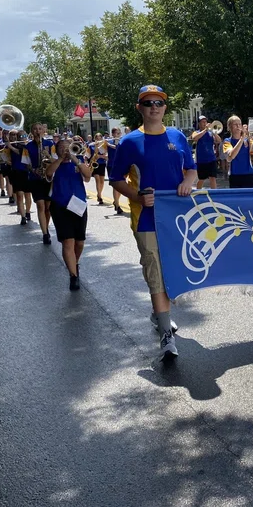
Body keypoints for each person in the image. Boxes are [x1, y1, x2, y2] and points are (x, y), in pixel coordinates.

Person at [109, 85, 197, 362]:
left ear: (165, 107)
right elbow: (116, 178)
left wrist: (187, 181)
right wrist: (137, 196)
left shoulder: (177, 136)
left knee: (171, 271)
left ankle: (160, 314)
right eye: (148, 103)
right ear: (140, 108)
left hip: (177, 219)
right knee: (155, 270)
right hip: (145, 219)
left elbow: (192, 169)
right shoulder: (130, 142)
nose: (154, 107)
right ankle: (166, 337)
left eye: (159, 102)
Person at [45, 138, 92, 290]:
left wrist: (74, 159)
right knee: (68, 242)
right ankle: (73, 276)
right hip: (60, 205)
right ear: (56, 150)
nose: (65, 150)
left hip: (78, 205)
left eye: (68, 147)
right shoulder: (52, 162)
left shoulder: (78, 161)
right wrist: (60, 159)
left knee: (79, 242)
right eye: (62, 148)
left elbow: (88, 176)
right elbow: (48, 173)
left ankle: (74, 264)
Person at [23, 123, 55, 245]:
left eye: (40, 129)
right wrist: (34, 170)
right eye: (35, 129)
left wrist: (48, 157)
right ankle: (45, 234)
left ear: (43, 131)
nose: (37, 131)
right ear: (32, 131)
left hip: (48, 178)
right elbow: (26, 163)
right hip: (35, 178)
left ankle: (45, 226)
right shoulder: (28, 146)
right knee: (40, 206)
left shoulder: (50, 144)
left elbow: (55, 160)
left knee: (48, 208)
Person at [223, 115, 253, 189]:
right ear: (229, 127)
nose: (238, 126)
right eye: (235, 124)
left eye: (240, 124)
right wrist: (241, 139)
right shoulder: (227, 141)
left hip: (249, 174)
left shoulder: (247, 140)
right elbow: (231, 156)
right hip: (235, 175)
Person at [6, 130, 33, 225]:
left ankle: (28, 211)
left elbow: (19, 153)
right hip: (17, 173)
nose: (22, 137)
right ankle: (23, 216)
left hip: (26, 172)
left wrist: (10, 146)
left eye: (24, 135)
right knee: (19, 195)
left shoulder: (27, 146)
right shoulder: (14, 145)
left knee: (27, 195)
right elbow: (5, 156)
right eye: (20, 136)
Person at [191, 116, 221, 190]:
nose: (205, 123)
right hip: (201, 160)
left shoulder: (210, 133)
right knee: (201, 179)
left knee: (213, 178)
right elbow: (194, 138)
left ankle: (214, 194)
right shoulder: (196, 132)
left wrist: (214, 133)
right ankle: (198, 192)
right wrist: (205, 130)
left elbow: (219, 140)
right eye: (203, 122)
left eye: (205, 121)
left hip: (211, 159)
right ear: (199, 123)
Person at [105, 128, 125, 214]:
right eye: (117, 133)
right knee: (116, 185)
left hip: (121, 165)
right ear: (113, 134)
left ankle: (116, 201)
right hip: (111, 165)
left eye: (119, 133)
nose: (119, 135)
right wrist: (104, 144)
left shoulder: (122, 141)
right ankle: (117, 205)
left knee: (122, 186)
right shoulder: (108, 141)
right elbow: (101, 151)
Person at [88, 132, 108, 205]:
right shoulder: (91, 145)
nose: (98, 139)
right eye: (97, 138)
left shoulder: (104, 146)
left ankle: (99, 193)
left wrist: (100, 156)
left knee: (102, 181)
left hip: (102, 163)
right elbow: (88, 155)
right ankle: (99, 196)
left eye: (100, 138)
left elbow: (106, 156)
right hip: (94, 163)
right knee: (97, 180)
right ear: (95, 138)